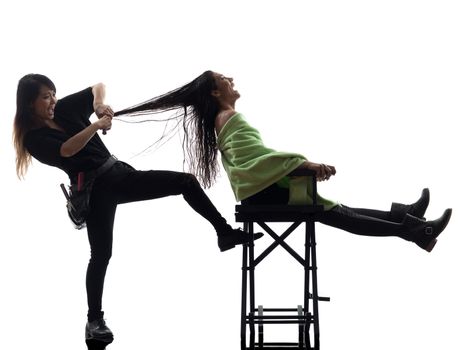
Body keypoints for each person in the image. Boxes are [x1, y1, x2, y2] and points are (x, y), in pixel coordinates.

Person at [12, 74, 263, 346]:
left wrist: (98, 105)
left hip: (119, 174)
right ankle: (94, 320)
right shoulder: (33, 139)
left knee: (185, 182)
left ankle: (224, 233)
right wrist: (96, 125)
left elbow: (98, 86)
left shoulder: (64, 108)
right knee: (101, 255)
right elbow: (67, 150)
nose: (52, 101)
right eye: (45, 96)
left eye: (53, 93)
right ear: (29, 104)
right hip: (96, 193)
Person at [114, 70, 452, 253]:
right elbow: (253, 160)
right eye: (224, 79)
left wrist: (298, 166)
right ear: (216, 93)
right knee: (340, 214)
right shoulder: (228, 116)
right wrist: (303, 164)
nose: (231, 77)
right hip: (265, 194)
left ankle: (407, 217)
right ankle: (416, 230)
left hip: (265, 191)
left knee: (340, 210)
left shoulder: (226, 117)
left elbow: (255, 159)